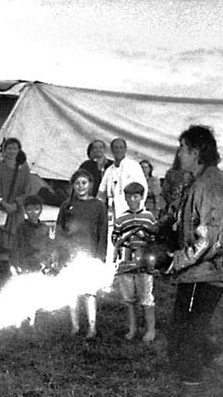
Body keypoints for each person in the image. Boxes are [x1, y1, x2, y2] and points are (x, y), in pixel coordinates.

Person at [159, 125, 223, 397]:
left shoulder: (209, 184)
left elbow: (213, 236)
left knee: (184, 334)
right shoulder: (202, 182)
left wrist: (178, 260)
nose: (178, 154)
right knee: (189, 332)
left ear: (195, 152)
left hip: (205, 273)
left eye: (182, 148)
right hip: (202, 273)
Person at [56, 169, 107, 337]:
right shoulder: (66, 205)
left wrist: (100, 256)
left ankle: (92, 326)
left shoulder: (98, 205)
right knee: (72, 291)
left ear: (90, 185)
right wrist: (61, 253)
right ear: (73, 185)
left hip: (90, 254)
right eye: (77, 183)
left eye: (84, 183)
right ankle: (75, 325)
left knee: (89, 291)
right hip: (71, 254)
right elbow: (60, 230)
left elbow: (103, 231)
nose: (80, 186)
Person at [112, 182, 158, 342]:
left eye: (136, 196)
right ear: (125, 198)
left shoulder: (149, 217)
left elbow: (154, 238)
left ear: (141, 197)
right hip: (126, 263)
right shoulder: (121, 219)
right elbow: (114, 238)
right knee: (128, 298)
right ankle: (132, 329)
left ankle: (150, 330)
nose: (132, 200)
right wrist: (124, 242)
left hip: (144, 264)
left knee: (146, 296)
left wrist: (145, 238)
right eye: (129, 196)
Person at [98, 138, 148, 262]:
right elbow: (101, 192)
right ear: (112, 150)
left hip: (132, 211)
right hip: (114, 213)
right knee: (116, 243)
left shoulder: (133, 166)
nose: (118, 150)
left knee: (134, 242)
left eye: (121, 147)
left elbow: (143, 188)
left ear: (125, 149)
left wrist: (137, 209)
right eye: (116, 148)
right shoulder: (109, 170)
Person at [0, 137, 34, 266]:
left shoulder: (24, 169)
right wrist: (3, 203)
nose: (12, 151)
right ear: (3, 150)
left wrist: (15, 204)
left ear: (19, 150)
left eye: (15, 148)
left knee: (15, 243)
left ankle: (12, 270)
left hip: (16, 212)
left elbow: (27, 190)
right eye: (9, 148)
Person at [10, 194, 54, 274]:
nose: (33, 213)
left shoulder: (45, 228)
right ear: (25, 211)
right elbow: (16, 247)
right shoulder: (21, 227)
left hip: (41, 264)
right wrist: (17, 265)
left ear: (41, 210)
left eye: (37, 209)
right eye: (29, 210)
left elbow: (48, 247)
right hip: (26, 264)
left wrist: (47, 262)